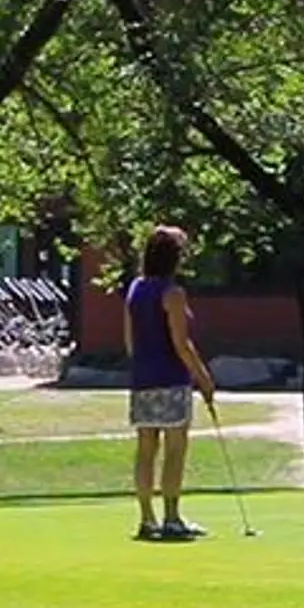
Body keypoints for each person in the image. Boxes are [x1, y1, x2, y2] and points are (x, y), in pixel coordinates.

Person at [126, 226, 217, 540]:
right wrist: (203, 378)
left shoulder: (136, 289)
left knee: (146, 448)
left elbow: (130, 341)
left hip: (142, 379)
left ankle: (146, 519)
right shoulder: (173, 294)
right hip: (171, 378)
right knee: (175, 448)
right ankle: (171, 517)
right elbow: (182, 344)